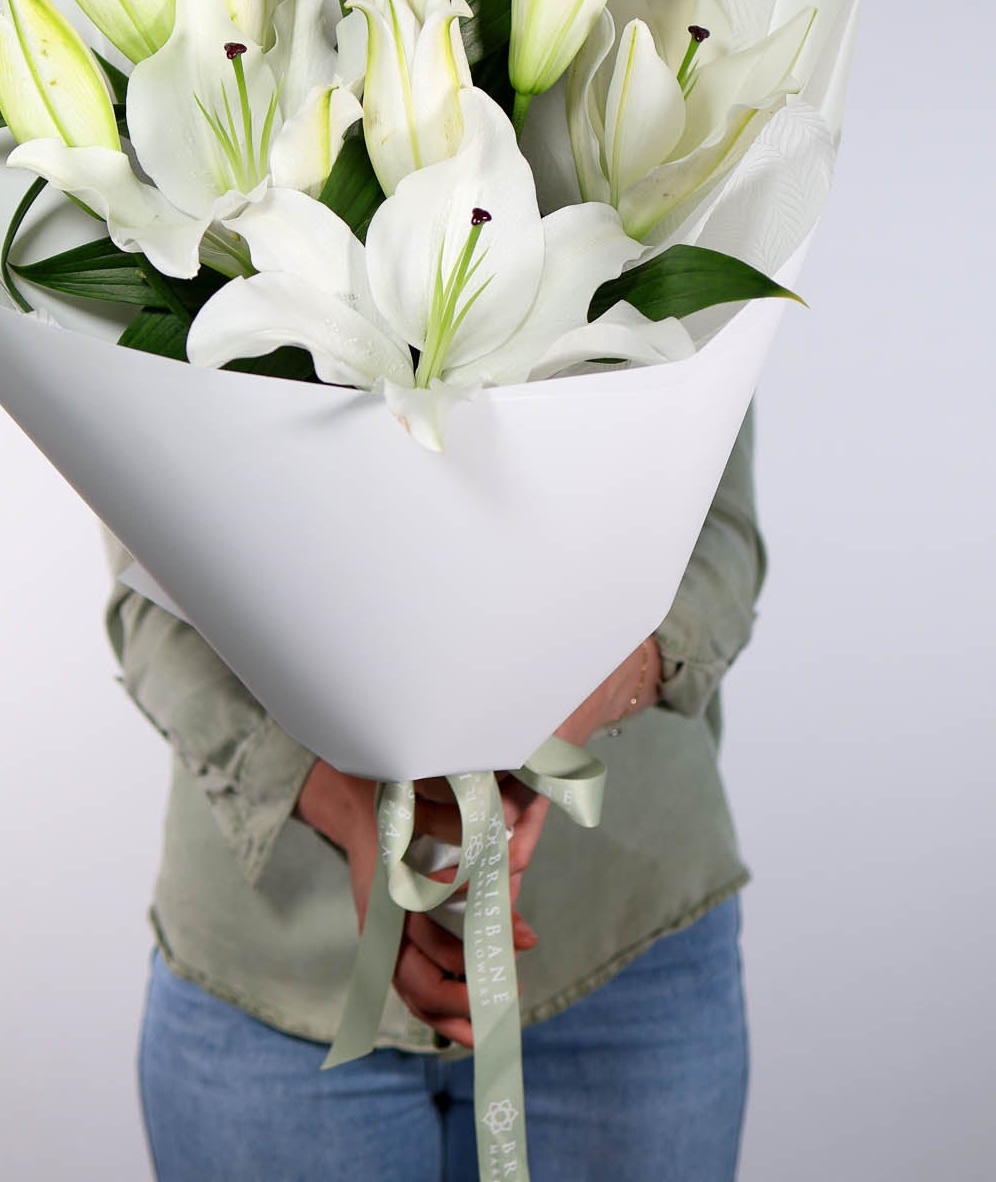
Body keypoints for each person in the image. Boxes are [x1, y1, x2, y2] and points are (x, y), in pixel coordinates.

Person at [107, 407, 765, 1181]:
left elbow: (717, 537)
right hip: (273, 978)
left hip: (627, 943)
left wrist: (558, 727)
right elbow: (152, 595)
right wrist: (356, 814)